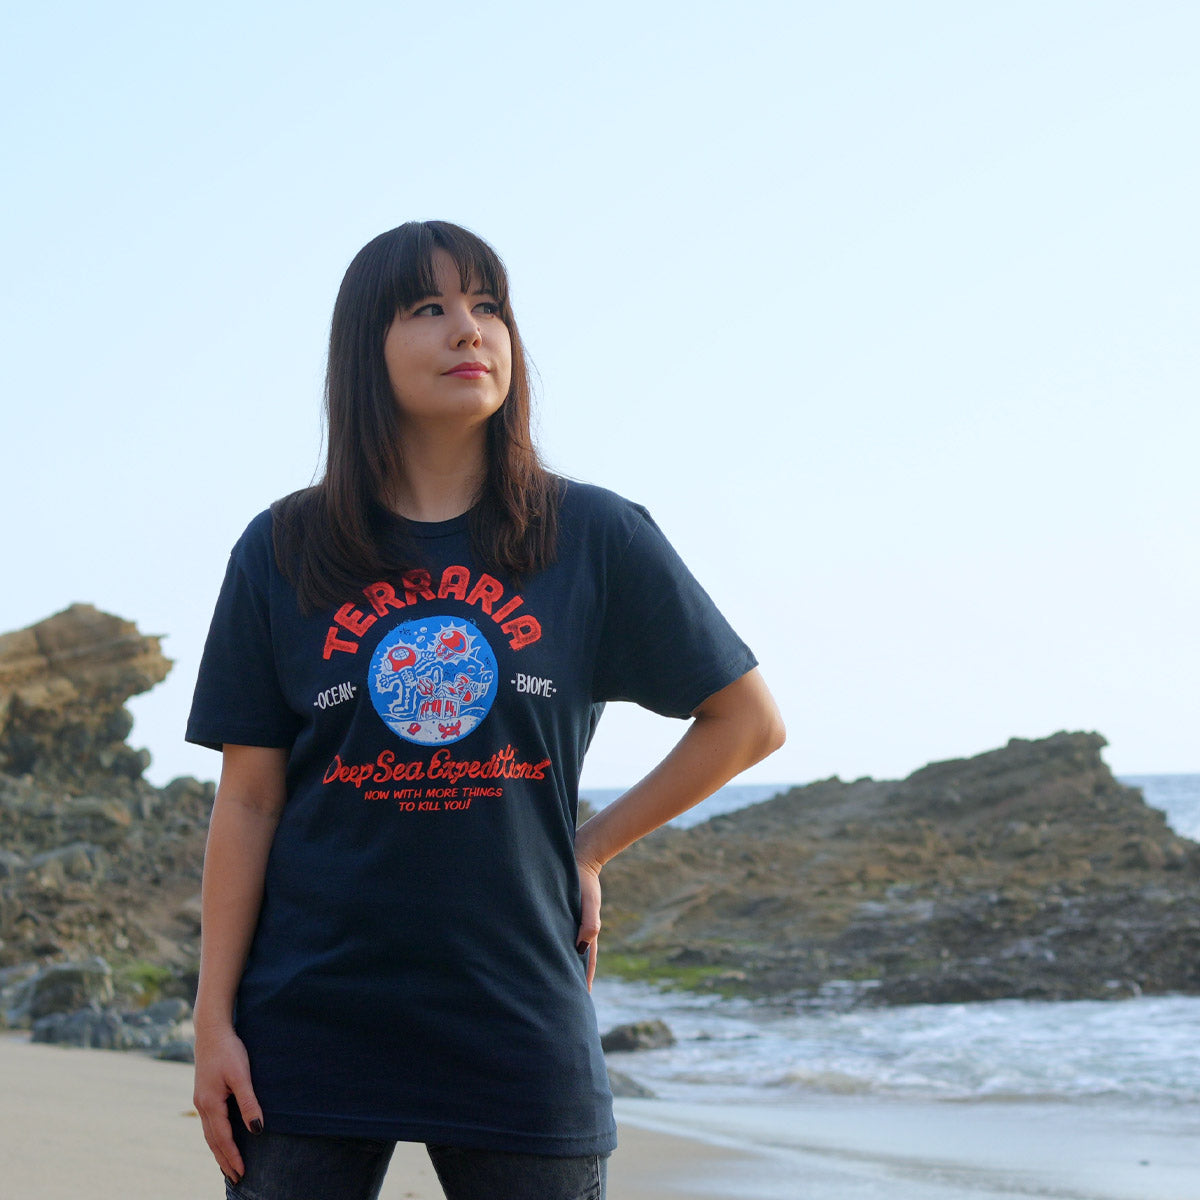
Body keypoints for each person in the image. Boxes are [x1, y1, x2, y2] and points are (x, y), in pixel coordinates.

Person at [186, 219, 785, 1200]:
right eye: (430, 308)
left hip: (517, 1020)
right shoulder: (284, 550)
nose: (471, 331)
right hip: (308, 1022)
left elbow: (748, 720)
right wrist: (213, 1024)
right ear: (363, 351)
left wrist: (586, 850)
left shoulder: (589, 536)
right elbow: (249, 803)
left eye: (488, 305)